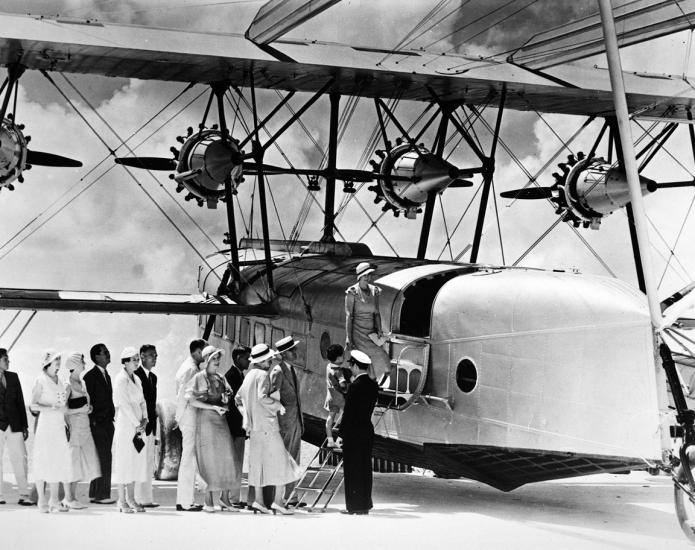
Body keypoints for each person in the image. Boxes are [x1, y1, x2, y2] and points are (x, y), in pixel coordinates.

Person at [236, 343, 300, 515]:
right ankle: (278, 502)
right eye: (269, 359)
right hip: (268, 426)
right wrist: (278, 405)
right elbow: (263, 397)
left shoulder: (249, 376)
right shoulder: (263, 375)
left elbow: (238, 399)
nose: (271, 361)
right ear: (262, 360)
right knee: (282, 462)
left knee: (257, 464)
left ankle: (258, 501)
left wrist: (247, 417)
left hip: (255, 428)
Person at [186, 346, 238, 513]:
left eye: (218, 359)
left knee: (227, 456)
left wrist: (224, 401)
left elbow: (228, 397)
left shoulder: (221, 377)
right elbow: (192, 400)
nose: (217, 361)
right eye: (214, 358)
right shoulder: (199, 377)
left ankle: (225, 498)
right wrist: (213, 408)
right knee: (208, 459)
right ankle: (208, 500)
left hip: (221, 421)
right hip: (207, 421)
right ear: (207, 359)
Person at [30, 350, 72, 513]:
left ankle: (54, 500)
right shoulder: (40, 380)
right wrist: (50, 408)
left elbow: (63, 405)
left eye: (60, 363)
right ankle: (42, 500)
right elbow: (33, 405)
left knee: (57, 462)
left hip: (58, 426)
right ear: (48, 364)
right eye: (56, 363)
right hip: (46, 426)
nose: (59, 366)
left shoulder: (60, 382)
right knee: (43, 461)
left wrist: (67, 421)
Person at [338, 350, 379, 515]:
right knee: (364, 468)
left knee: (352, 469)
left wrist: (341, 434)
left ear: (355, 365)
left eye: (351, 364)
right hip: (366, 430)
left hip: (353, 433)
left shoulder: (354, 387)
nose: (350, 367)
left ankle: (354, 506)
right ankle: (365, 504)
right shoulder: (373, 385)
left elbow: (348, 413)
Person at [112, 347, 149, 513]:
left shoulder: (137, 379)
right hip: (126, 425)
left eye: (137, 359)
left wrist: (145, 418)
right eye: (133, 359)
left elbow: (142, 400)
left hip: (138, 426)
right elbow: (124, 405)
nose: (137, 362)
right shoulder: (120, 380)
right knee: (123, 461)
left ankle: (132, 498)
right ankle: (121, 500)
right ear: (125, 362)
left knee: (135, 461)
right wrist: (136, 422)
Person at [63, 352, 101, 509]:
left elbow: (84, 405)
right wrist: (80, 409)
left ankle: (73, 497)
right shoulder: (67, 384)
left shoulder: (82, 383)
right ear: (75, 364)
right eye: (82, 361)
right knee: (73, 462)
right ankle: (68, 498)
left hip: (86, 427)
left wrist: (88, 409)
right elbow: (63, 410)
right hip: (75, 429)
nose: (85, 363)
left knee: (87, 462)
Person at [270, 335, 304, 505]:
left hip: (295, 421)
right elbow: (272, 397)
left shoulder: (291, 369)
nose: (295, 352)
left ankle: (291, 496)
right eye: (292, 350)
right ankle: (282, 496)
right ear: (284, 354)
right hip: (284, 422)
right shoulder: (278, 371)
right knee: (285, 458)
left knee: (294, 458)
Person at [174, 338, 207, 512]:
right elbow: (183, 397)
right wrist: (179, 418)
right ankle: (185, 502)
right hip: (189, 417)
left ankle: (187, 499)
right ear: (197, 352)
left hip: (186, 417)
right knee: (188, 459)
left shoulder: (187, 366)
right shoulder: (192, 370)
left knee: (189, 459)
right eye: (205, 351)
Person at [345, 262, 390, 381]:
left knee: (384, 360)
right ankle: (371, 383)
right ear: (360, 276)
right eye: (365, 275)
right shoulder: (352, 292)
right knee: (365, 361)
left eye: (369, 275)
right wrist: (349, 338)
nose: (368, 278)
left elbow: (376, 313)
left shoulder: (374, 291)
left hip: (371, 333)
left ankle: (375, 382)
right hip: (358, 333)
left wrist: (379, 330)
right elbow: (349, 316)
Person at [0, 348, 33, 506]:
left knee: (21, 459)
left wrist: (25, 426)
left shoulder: (13, 377)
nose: (9, 361)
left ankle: (24, 494)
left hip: (14, 424)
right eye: (6, 359)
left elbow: (20, 401)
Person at [83, 343, 116, 504]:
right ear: (97, 357)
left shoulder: (106, 375)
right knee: (103, 457)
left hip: (107, 424)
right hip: (97, 424)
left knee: (102, 457)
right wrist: (93, 422)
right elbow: (86, 402)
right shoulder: (89, 377)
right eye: (105, 352)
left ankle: (96, 493)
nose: (108, 354)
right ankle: (102, 495)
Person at [224, 345, 251, 508]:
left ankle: (233, 497)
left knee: (237, 463)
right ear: (238, 359)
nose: (249, 361)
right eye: (247, 358)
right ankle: (232, 498)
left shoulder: (238, 375)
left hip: (237, 428)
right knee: (235, 462)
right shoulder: (232, 376)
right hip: (234, 429)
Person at [133, 344, 159, 508]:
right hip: (140, 425)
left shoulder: (153, 377)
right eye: (151, 355)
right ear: (142, 356)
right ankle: (137, 497)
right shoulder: (135, 375)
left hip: (151, 426)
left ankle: (146, 498)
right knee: (139, 461)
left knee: (148, 462)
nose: (154, 358)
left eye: (155, 355)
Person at [324, 344, 348, 448]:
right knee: (347, 416)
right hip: (340, 398)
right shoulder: (339, 371)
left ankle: (330, 440)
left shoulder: (328, 366)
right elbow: (343, 386)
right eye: (343, 355)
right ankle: (340, 440)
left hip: (330, 397)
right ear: (338, 358)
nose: (344, 357)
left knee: (330, 418)